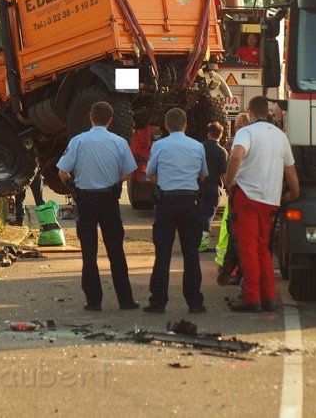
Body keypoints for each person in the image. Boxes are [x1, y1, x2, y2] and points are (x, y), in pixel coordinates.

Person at [57, 101, 138, 312]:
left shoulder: (78, 141)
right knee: (116, 252)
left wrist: (72, 186)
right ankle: (125, 300)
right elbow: (128, 172)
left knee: (89, 253)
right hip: (109, 201)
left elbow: (62, 172)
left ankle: (93, 301)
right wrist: (114, 181)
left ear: (90, 118)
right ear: (110, 120)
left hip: (86, 202)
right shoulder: (119, 142)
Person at [224, 96, 300, 312]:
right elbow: (291, 170)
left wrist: (229, 181)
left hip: (247, 197)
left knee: (247, 249)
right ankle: (267, 296)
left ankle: (251, 298)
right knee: (263, 249)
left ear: (250, 112)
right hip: (270, 200)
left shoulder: (247, 132)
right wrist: (294, 194)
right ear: (267, 112)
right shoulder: (280, 136)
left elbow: (236, 156)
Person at [144, 108, 208, 314]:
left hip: (167, 202)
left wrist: (164, 180)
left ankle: (158, 301)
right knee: (191, 254)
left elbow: (149, 174)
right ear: (185, 124)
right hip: (190, 202)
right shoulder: (198, 147)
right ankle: (195, 302)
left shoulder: (159, 146)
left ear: (166, 125)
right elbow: (203, 175)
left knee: (162, 253)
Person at [215, 112, 249, 277]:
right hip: (241, 195)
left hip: (241, 194)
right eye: (235, 127)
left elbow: (235, 161)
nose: (236, 130)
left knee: (237, 235)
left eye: (239, 127)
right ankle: (232, 267)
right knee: (234, 233)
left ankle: (233, 268)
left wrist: (229, 183)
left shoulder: (245, 141)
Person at [199, 121, 228, 252]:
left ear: (208, 133)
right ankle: (202, 244)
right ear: (220, 135)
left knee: (199, 214)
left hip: (197, 187)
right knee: (208, 215)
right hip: (212, 188)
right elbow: (223, 173)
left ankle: (195, 241)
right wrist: (229, 188)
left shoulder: (199, 147)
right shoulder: (221, 151)